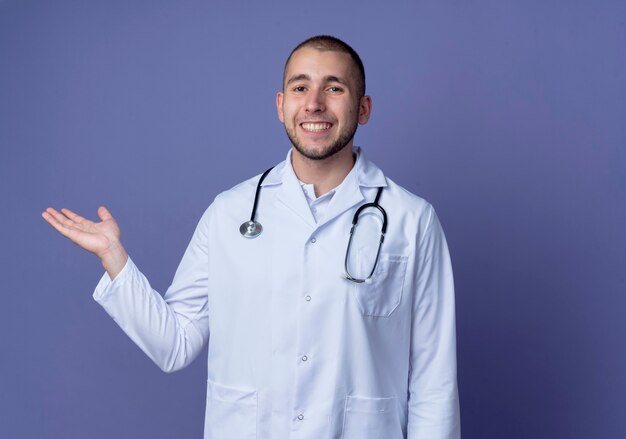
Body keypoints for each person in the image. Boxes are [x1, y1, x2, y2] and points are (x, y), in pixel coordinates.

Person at [42, 35, 460, 439]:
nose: (314, 103)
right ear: (281, 106)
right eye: (300, 87)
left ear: (363, 108)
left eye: (334, 88)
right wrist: (114, 258)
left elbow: (432, 379)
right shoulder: (229, 213)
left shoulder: (411, 220)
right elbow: (174, 344)